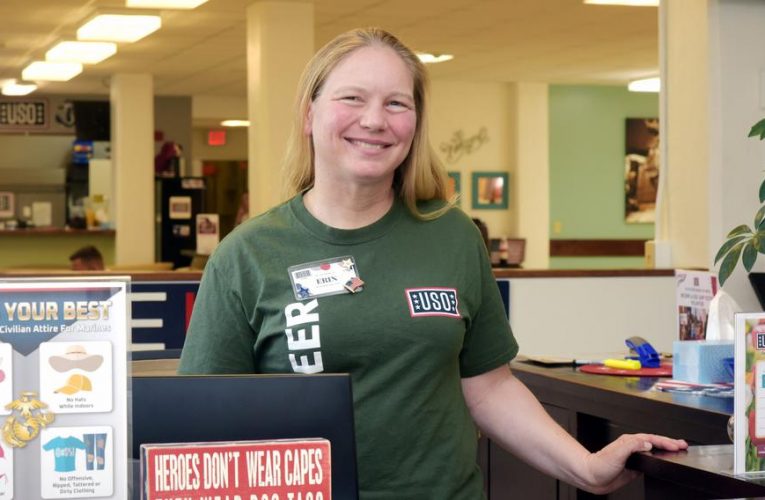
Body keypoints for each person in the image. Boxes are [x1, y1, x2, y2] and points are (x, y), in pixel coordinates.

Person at [178, 27, 686, 498]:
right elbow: (202, 431)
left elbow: (488, 389)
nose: (375, 120)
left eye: (396, 103)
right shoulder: (246, 255)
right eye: (352, 97)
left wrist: (586, 467)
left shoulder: (453, 236)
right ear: (310, 115)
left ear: (415, 123)